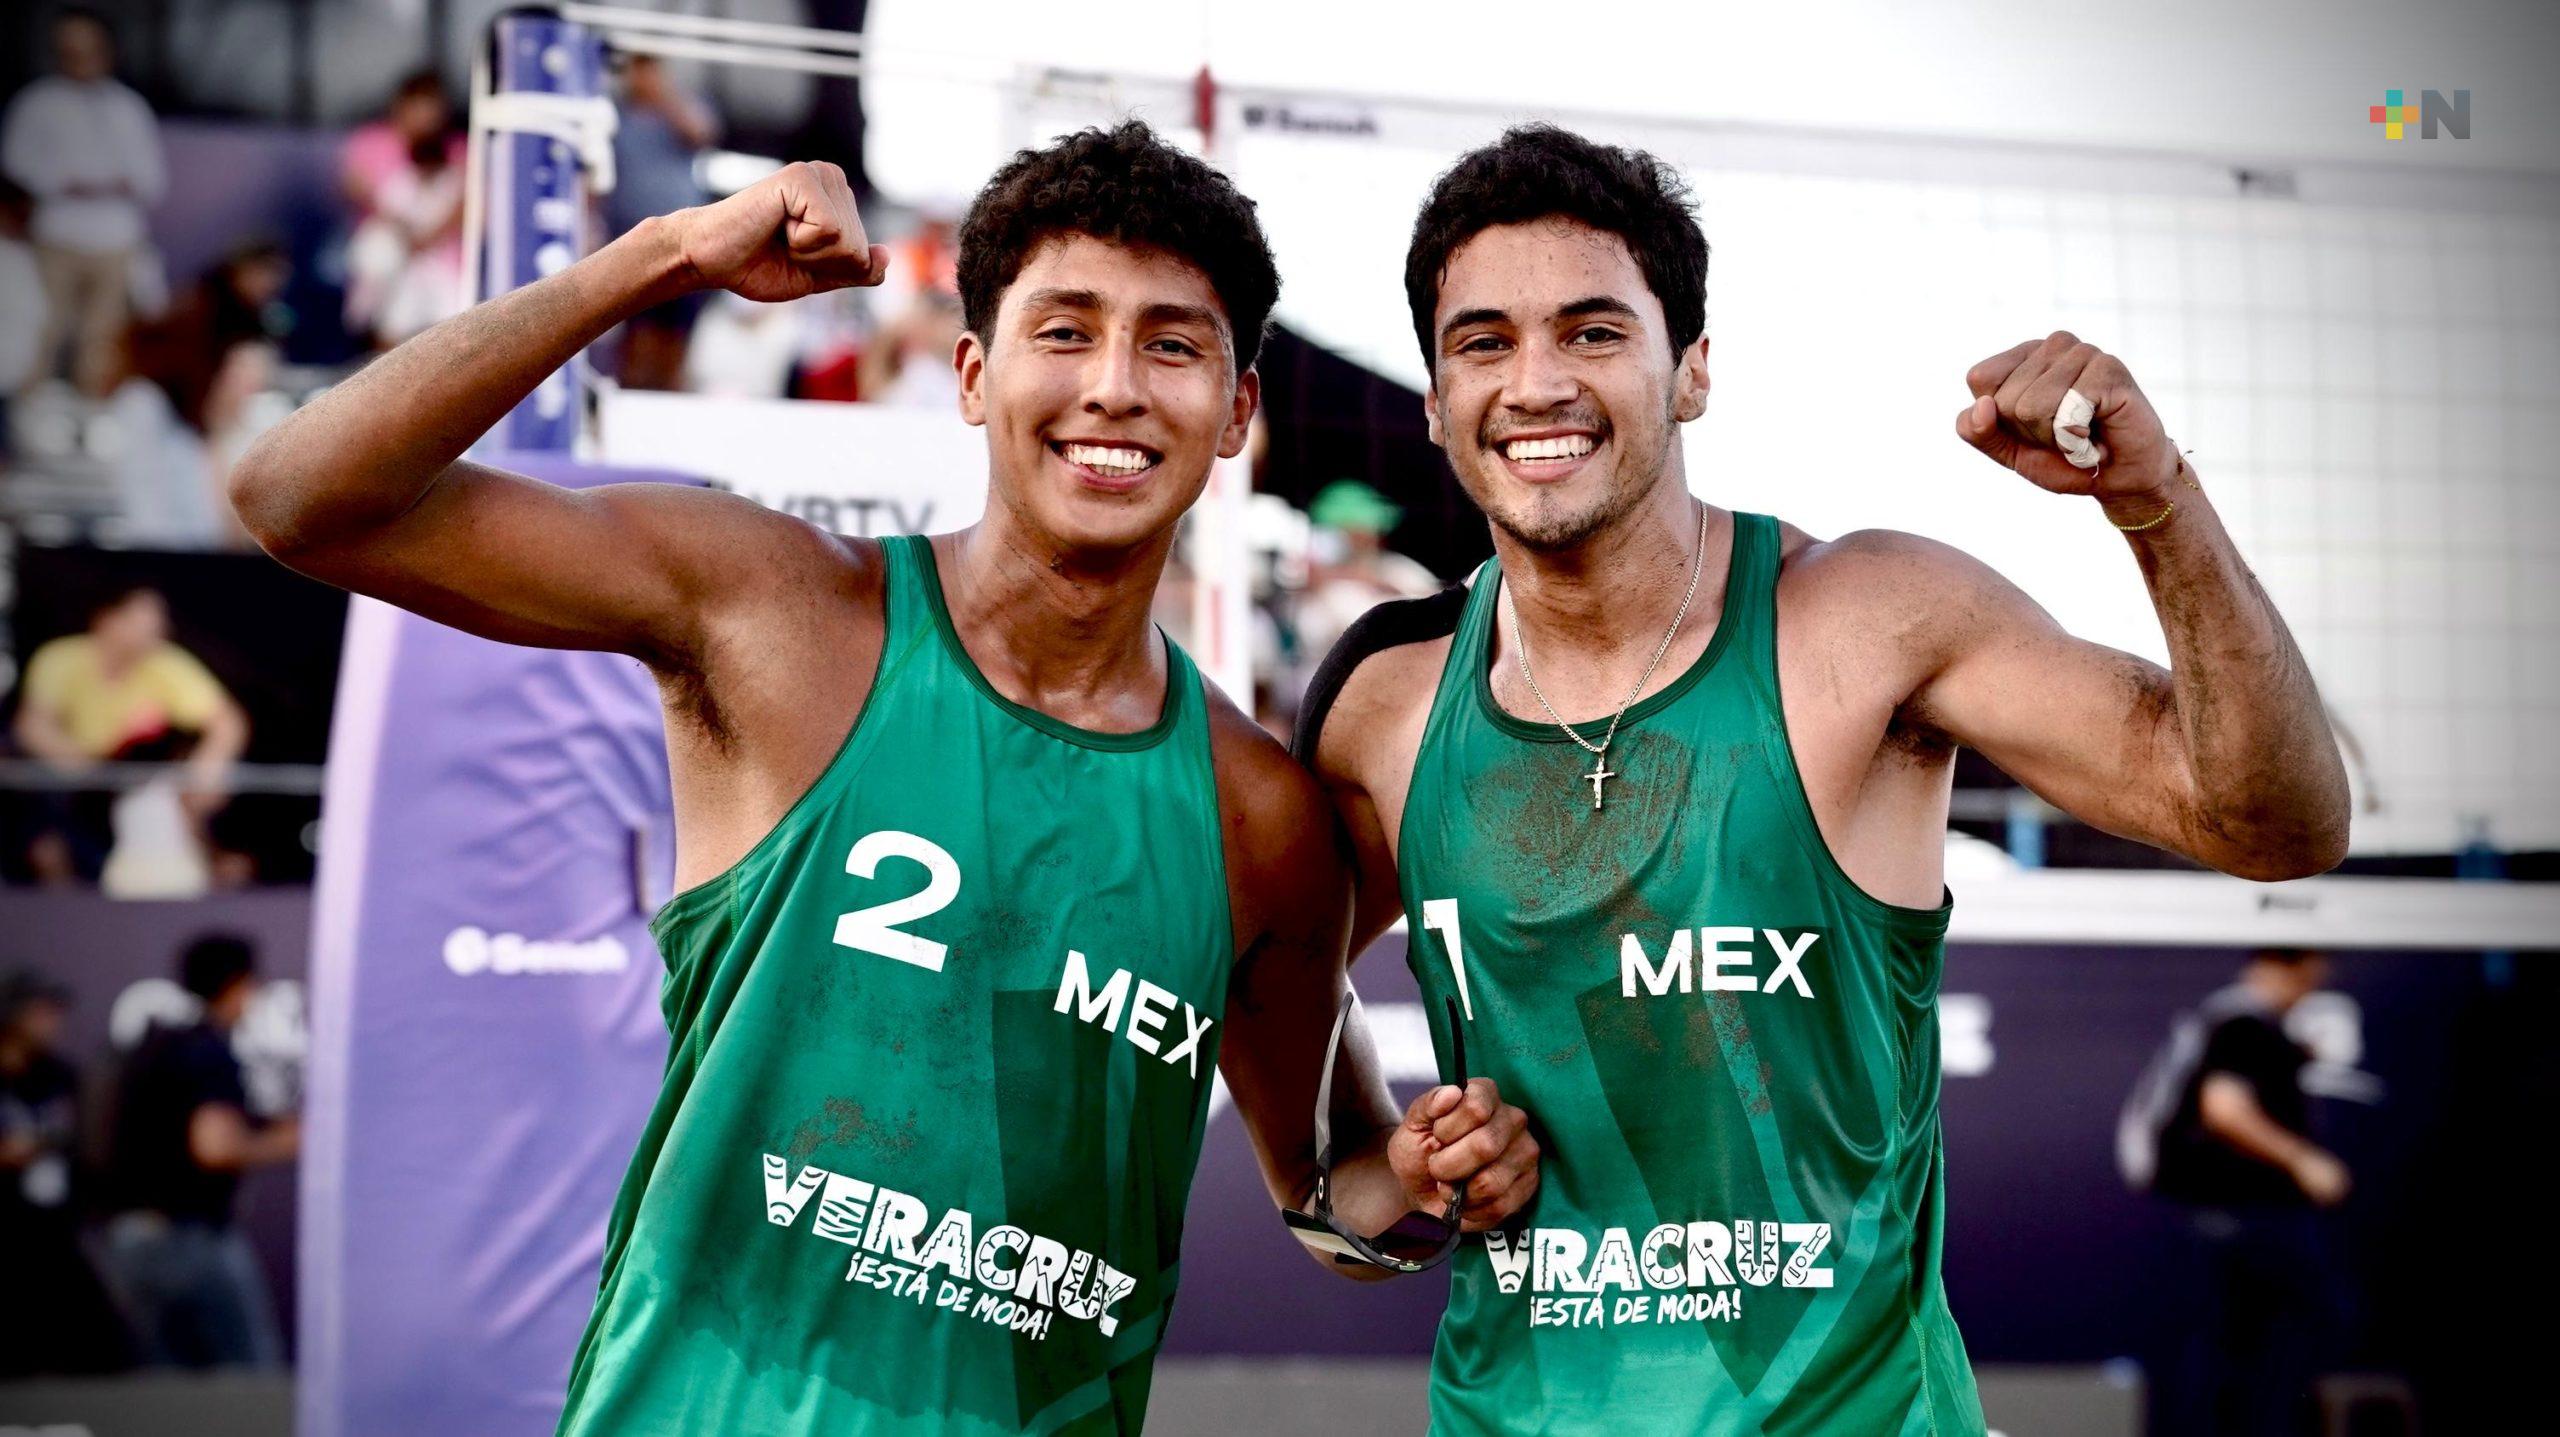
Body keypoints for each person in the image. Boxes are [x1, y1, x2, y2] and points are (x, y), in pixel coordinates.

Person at [227, 121, 1540, 1432]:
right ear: (973, 372)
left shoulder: (1260, 816)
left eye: (1174, 344)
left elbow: (1334, 1189)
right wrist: (661, 255)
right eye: (1065, 329)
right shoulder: (778, 613)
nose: (1116, 387)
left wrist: (1425, 1179)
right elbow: (301, 497)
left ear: (1239, 409)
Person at [1298, 125, 2350, 1435]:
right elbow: (1300, 1098)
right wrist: (1400, 1174)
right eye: (1485, 343)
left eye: (1592, 332)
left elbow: (2278, 822)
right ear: (1437, 403)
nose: (1538, 382)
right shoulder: (1386, 702)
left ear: (1690, 370)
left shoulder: (1865, 617)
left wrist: (2159, 499)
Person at [2151, 947, 2351, 1437]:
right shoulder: (2242, 1023)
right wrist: (2302, 1159)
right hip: (2242, 1219)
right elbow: (2224, 1106)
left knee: (2241, 1352)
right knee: (2253, 1351)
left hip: (2236, 1219)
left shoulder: (2245, 1024)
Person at [103, 934, 298, 1368]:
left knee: (159, 1393)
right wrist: (291, 1142)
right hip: (191, 1239)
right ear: (239, 985)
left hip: (131, 1239)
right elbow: (214, 1147)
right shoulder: (208, 1049)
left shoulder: (154, 1046)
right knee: (249, 1376)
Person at [12, 585, 249, 886]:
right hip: (70, 786)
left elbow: (228, 722)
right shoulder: (60, 658)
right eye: (144, 616)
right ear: (108, 619)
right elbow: (32, 726)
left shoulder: (166, 663)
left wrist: (205, 772)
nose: (157, 626)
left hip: (134, 790)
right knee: (44, 833)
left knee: (169, 809)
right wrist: (91, 773)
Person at [1, 6, 166, 397]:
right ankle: (26, 422)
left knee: (102, 342)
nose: (80, 58)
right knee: (41, 332)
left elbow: (150, 181)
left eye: (89, 48)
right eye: (70, 49)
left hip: (115, 243)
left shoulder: (129, 108)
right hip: (55, 240)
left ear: (107, 50)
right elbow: (16, 166)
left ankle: (90, 428)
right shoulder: (37, 103)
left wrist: (98, 185)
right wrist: (69, 183)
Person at [0, 967, 131, 1375]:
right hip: (7, 1235)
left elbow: (87, 1148)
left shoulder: (62, 1077)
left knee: (100, 1346)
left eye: (56, 1012)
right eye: (42, 1012)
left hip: (57, 1236)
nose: (52, 1023)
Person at [605, 53, 719, 391]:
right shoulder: (616, 118)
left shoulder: (685, 108)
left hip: (685, 244)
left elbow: (701, 133)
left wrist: (664, 97)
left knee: (676, 339)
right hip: (631, 244)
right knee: (637, 338)